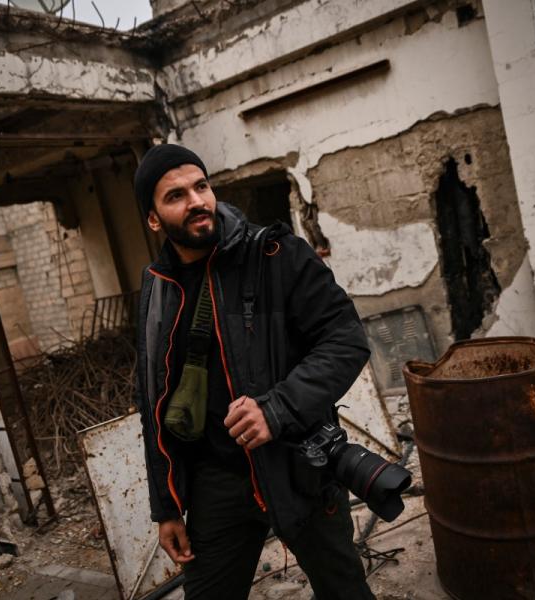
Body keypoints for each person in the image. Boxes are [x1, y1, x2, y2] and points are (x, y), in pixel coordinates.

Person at [133, 143, 375, 600]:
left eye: (201, 186)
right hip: (217, 482)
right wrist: (166, 507)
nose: (197, 201)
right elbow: (153, 402)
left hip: (298, 463)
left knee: (344, 592)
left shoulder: (277, 255)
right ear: (153, 219)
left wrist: (276, 409)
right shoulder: (158, 290)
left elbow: (346, 340)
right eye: (176, 195)